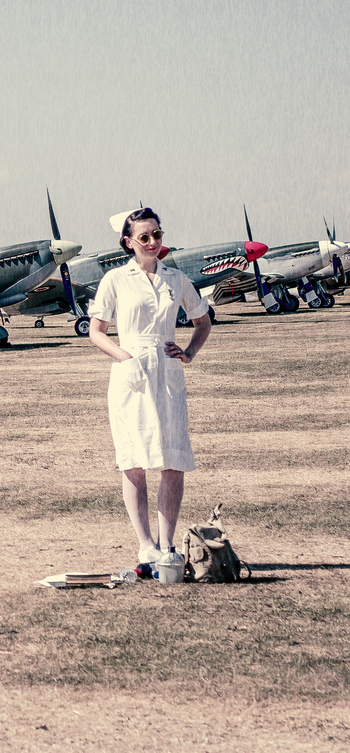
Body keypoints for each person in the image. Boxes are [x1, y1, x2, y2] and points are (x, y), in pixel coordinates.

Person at [87, 207, 213, 577]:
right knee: (134, 461)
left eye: (157, 234)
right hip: (131, 374)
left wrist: (187, 352)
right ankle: (145, 545)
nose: (153, 242)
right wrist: (124, 357)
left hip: (169, 371)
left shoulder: (176, 278)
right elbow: (96, 331)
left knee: (173, 460)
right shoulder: (115, 279)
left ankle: (168, 545)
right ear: (129, 243)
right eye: (144, 237)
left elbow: (202, 320)